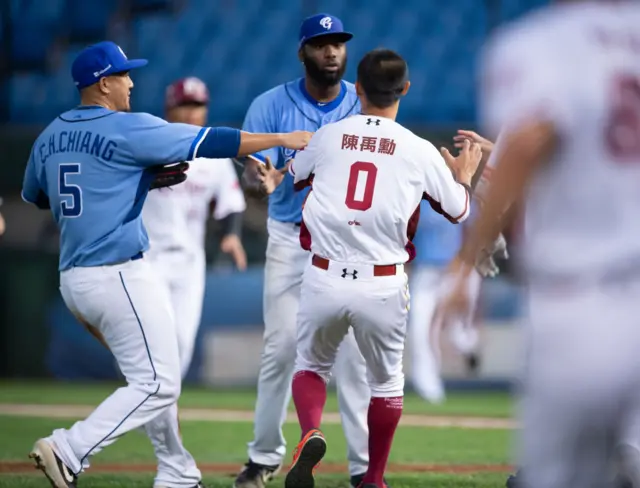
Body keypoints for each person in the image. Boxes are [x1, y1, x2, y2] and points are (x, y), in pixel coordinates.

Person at [21, 40, 310, 488]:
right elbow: (214, 140)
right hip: (118, 271)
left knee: (153, 377)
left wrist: (124, 175)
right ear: (102, 85)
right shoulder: (127, 128)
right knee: (158, 384)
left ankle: (176, 471)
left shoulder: (48, 135)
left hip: (74, 279)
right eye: (123, 75)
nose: (131, 82)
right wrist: (282, 139)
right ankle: (69, 447)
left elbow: (39, 196)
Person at [258, 48, 482, 488]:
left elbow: (295, 174)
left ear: (356, 88)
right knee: (386, 385)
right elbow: (458, 211)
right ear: (406, 89)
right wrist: (464, 177)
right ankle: (373, 479)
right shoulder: (418, 149)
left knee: (310, 366)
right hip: (382, 282)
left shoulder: (328, 135)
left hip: (324, 273)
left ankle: (311, 432)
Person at [438, 1, 640, 487]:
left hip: (580, 295)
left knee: (562, 472)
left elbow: (529, 142)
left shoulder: (540, 42)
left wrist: (468, 259)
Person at [233, 14, 372, 488]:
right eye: (320, 44)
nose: (331, 52)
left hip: (349, 243)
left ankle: (362, 469)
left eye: (337, 43)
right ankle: (263, 455)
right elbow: (257, 179)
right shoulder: (271, 105)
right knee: (281, 348)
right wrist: (259, 180)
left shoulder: (363, 101)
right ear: (302, 52)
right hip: (292, 238)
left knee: (354, 358)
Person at [143, 76, 247, 379]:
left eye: (197, 104)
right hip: (148, 258)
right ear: (169, 108)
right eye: (185, 104)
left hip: (189, 261)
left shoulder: (212, 156)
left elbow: (232, 202)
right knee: (154, 341)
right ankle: (147, 403)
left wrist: (231, 235)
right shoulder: (147, 146)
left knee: (181, 345)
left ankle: (159, 415)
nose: (191, 111)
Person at [408, 204, 482, 404]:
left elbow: (473, 235)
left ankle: (468, 345)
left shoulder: (458, 195)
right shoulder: (416, 199)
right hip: (425, 273)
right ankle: (429, 387)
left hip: (453, 272)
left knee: (457, 330)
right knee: (420, 328)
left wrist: (464, 276)